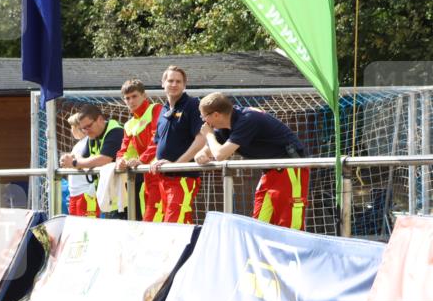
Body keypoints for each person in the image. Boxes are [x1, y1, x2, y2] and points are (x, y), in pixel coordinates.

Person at [196, 92, 310, 230]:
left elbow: (220, 155)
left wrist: (209, 135)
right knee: (259, 224)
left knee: (289, 223)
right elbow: (210, 150)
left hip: (289, 169)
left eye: (204, 116)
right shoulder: (226, 126)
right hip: (270, 172)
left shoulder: (247, 119)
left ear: (216, 115)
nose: (204, 122)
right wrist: (201, 154)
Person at [148, 66, 204, 224]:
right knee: (179, 224)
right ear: (163, 83)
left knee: (174, 224)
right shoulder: (163, 109)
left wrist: (177, 164)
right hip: (163, 178)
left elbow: (201, 139)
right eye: (170, 80)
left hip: (183, 178)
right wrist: (155, 160)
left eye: (178, 81)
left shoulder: (193, 105)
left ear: (184, 85)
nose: (174, 84)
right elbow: (158, 143)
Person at [59, 104, 124, 217]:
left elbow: (104, 159)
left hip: (126, 194)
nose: (86, 131)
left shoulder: (115, 131)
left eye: (88, 126)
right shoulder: (93, 136)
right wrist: (71, 159)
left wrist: (74, 162)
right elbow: (83, 157)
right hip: (111, 196)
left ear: (100, 119)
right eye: (83, 128)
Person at [114, 79, 164, 222]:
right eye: (127, 98)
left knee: (156, 219)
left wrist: (141, 159)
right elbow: (124, 150)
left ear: (144, 95)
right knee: (148, 219)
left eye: (134, 96)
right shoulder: (129, 124)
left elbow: (157, 139)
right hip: (147, 175)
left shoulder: (156, 109)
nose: (131, 101)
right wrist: (120, 161)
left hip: (162, 173)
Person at [63, 112, 97, 217]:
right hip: (74, 192)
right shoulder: (78, 144)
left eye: (72, 127)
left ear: (79, 127)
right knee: (75, 224)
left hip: (86, 192)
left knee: (87, 224)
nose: (71, 130)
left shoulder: (90, 141)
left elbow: (91, 162)